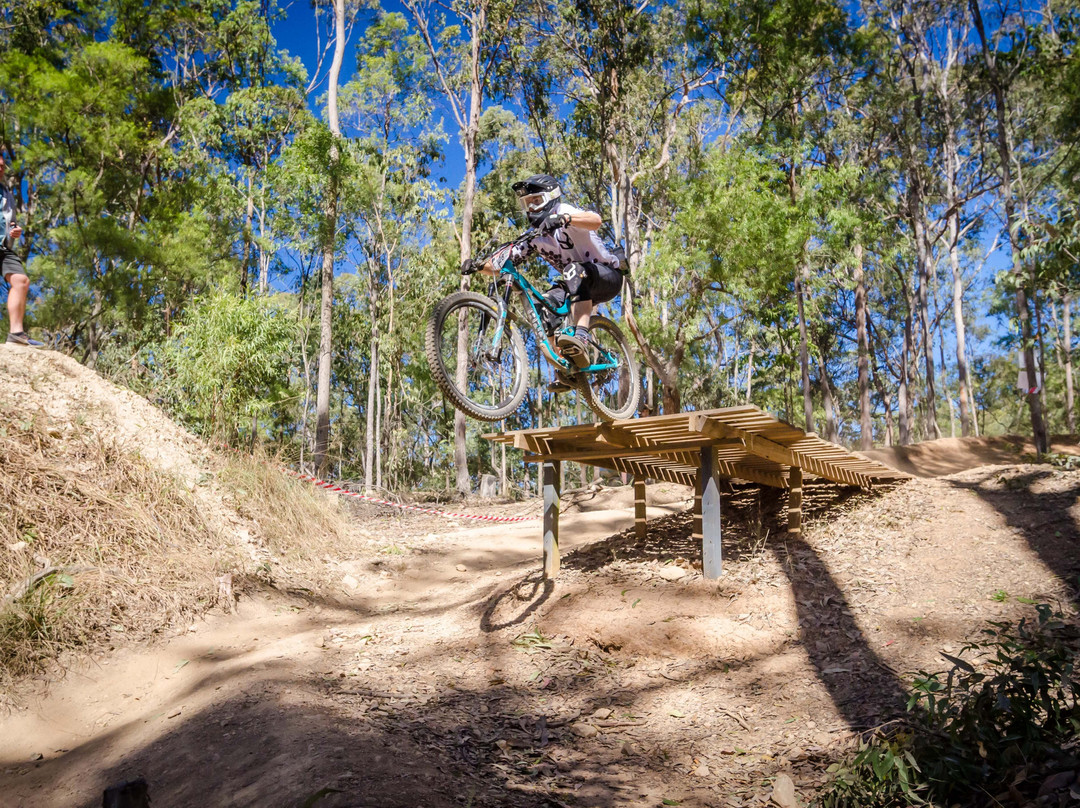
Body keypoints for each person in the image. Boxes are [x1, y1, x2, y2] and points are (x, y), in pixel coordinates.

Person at [481, 174, 625, 393]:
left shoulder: (563, 211)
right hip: (573, 281)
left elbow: (595, 221)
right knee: (545, 308)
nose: (531, 208)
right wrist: (478, 266)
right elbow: (500, 264)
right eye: (527, 203)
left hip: (607, 275)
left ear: (551, 197)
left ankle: (582, 337)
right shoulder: (534, 235)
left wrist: (565, 219)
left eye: (536, 201)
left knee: (574, 270)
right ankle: (566, 368)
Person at [1, 154, 43, 347]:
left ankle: (16, 333)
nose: (1, 169)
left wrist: (15, 230)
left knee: (21, 281)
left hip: (3, 247)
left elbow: (11, 221)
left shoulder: (6, 193)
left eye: (2, 166)